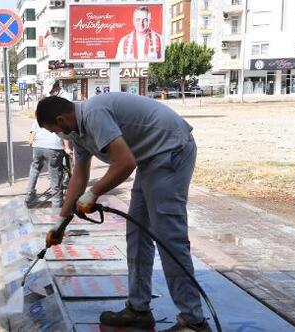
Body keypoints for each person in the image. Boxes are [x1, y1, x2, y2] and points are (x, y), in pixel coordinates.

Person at [36, 93, 210, 332]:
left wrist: (94, 193)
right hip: (150, 158)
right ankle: (139, 309)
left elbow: (125, 164)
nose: (59, 135)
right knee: (137, 233)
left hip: (171, 150)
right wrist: (60, 222)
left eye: (55, 130)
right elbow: (79, 176)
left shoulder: (94, 114)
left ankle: (194, 321)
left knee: (168, 237)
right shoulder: (77, 132)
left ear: (61, 119)